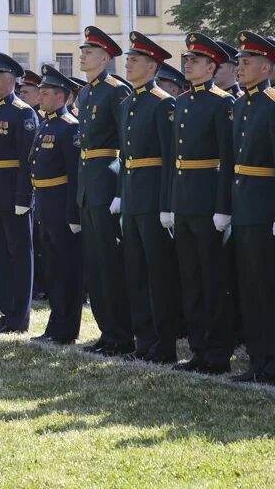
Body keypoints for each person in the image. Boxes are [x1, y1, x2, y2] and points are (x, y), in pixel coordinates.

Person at [228, 31, 275, 386]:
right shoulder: (242, 104)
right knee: (250, 288)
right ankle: (257, 359)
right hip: (243, 204)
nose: (240, 67)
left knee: (269, 288)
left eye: (247, 62)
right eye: (238, 61)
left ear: (266, 66)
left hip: (265, 206)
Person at [170, 33, 236, 374]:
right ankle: (198, 349)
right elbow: (173, 159)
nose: (189, 64)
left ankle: (217, 353)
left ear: (212, 67)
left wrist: (223, 207)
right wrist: (171, 202)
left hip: (209, 200)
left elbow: (228, 159)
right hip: (184, 200)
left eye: (196, 60)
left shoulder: (223, 103)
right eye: (187, 60)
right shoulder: (181, 102)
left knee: (213, 280)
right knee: (191, 279)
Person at [116, 32, 180, 362]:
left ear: (152, 66)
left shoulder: (162, 103)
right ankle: (144, 341)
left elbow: (170, 159)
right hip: (132, 194)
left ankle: (163, 344)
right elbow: (125, 157)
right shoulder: (129, 102)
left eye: (135, 60)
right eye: (127, 59)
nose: (128, 64)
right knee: (136, 271)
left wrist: (167, 204)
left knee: (158, 274)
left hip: (154, 197)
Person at [76, 26, 134, 355]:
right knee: (95, 263)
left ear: (105, 58)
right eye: (82, 50)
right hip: (88, 182)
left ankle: (121, 334)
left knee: (111, 264)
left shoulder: (115, 90)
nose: (82, 55)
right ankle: (106, 331)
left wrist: (119, 189)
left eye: (88, 51)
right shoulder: (85, 93)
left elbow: (126, 143)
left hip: (106, 180)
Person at [0, 51, 38, 333]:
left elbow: (28, 160)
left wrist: (24, 198)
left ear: (12, 80)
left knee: (19, 257)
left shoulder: (23, 113)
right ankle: (6, 312)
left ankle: (19, 316)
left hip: (13, 198)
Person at [29, 64, 83, 344]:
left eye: (46, 93)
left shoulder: (69, 127)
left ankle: (66, 329)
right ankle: (54, 325)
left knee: (66, 271)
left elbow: (74, 176)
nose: (40, 97)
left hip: (62, 209)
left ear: (62, 98)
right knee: (52, 269)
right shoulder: (46, 124)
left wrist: (73, 214)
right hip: (45, 207)